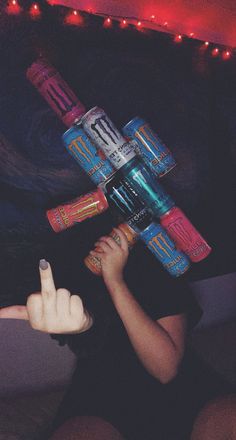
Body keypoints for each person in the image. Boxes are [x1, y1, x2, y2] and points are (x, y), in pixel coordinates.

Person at [0, 227, 229, 440]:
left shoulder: (157, 264)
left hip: (184, 393)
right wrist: (82, 324)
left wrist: (115, 280)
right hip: (102, 393)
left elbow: (165, 370)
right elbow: (85, 331)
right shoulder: (74, 269)